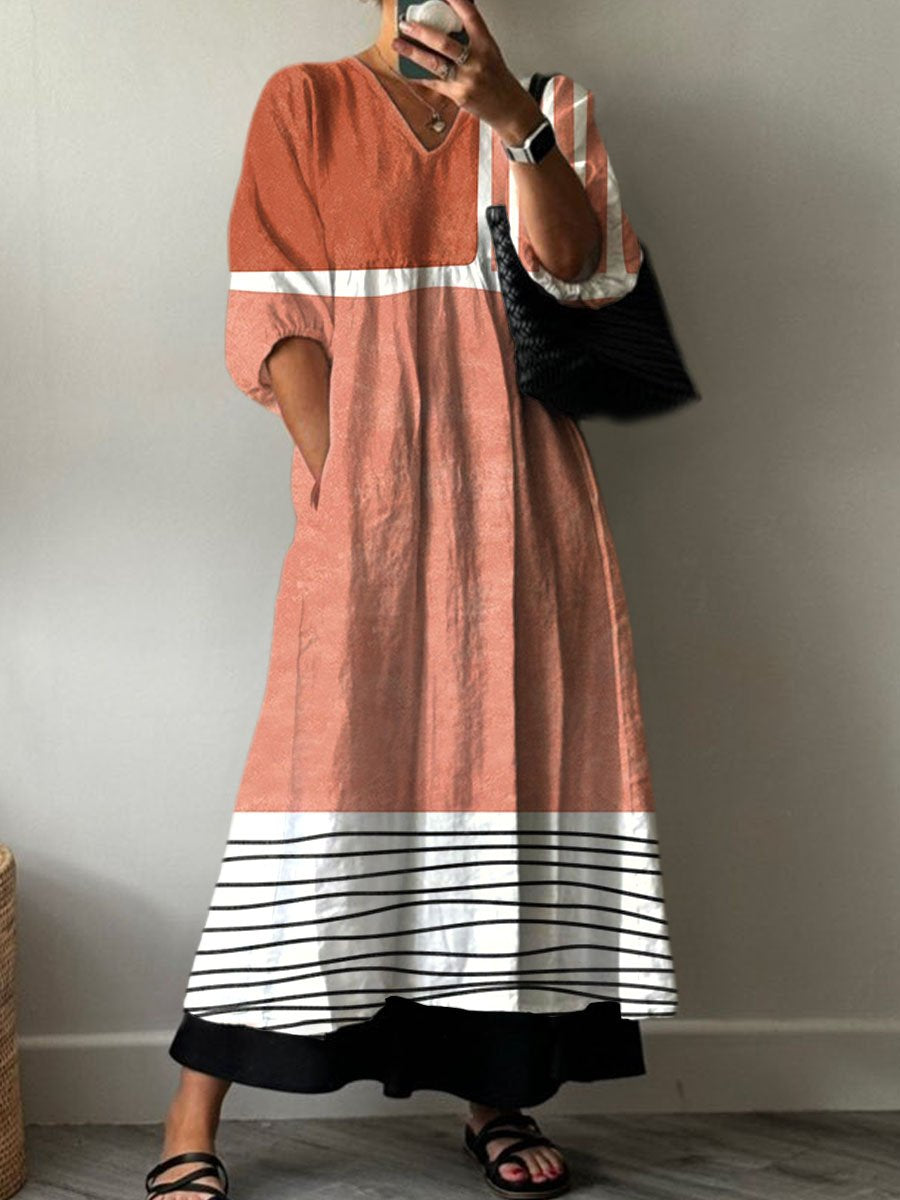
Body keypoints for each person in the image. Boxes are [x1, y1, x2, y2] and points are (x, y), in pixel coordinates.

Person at [145, 2, 679, 1198]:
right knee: (316, 782)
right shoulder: (307, 101)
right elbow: (274, 306)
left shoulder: (552, 102)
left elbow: (585, 273)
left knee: (501, 778)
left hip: (523, 496)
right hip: (368, 497)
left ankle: (494, 1091)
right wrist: (343, 474)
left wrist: (511, 118)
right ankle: (192, 1108)